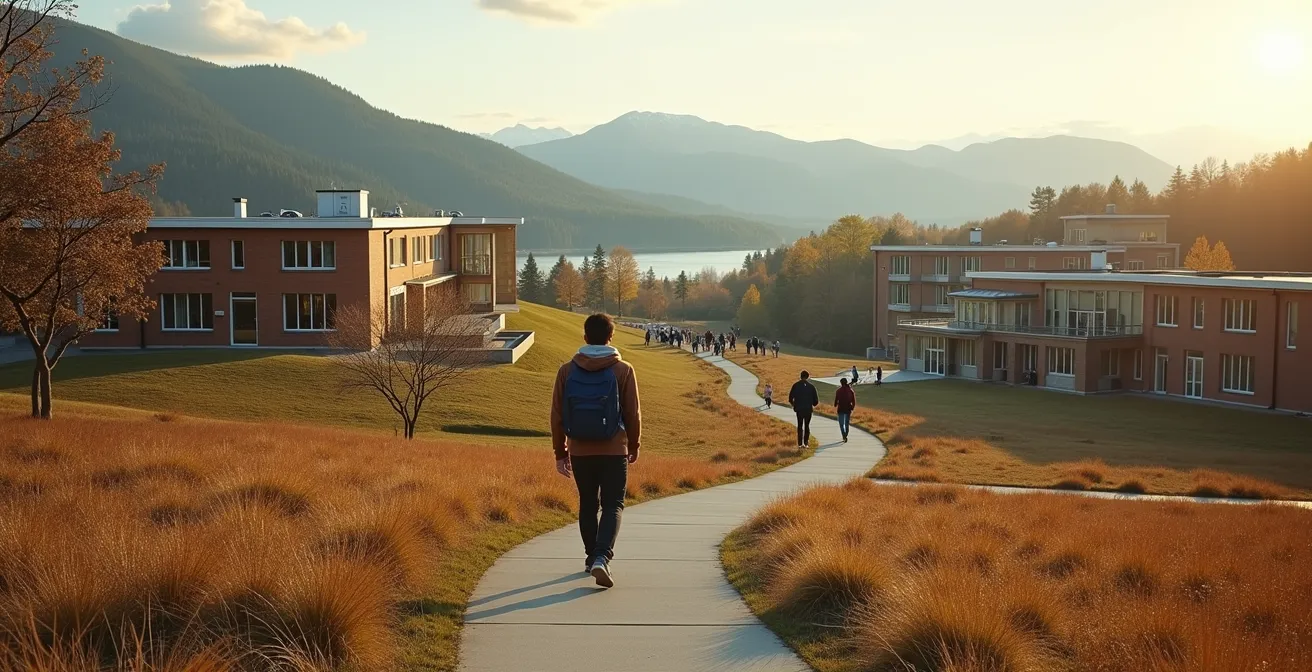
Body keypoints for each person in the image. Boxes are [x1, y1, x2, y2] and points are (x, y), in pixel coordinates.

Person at [551, 314, 641, 589]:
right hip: (614, 448)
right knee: (613, 503)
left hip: (580, 448)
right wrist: (634, 445)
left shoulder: (567, 370)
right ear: (611, 337)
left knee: (588, 503)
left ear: (585, 337)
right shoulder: (623, 369)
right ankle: (602, 556)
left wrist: (560, 451)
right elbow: (632, 413)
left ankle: (592, 557)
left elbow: (556, 415)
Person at [787, 370, 819, 448]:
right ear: (808, 377)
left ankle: (800, 443)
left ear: (800, 376)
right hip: (808, 409)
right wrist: (812, 405)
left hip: (799, 409)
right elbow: (816, 401)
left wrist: (794, 405)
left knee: (800, 425)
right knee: (807, 425)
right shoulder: (811, 387)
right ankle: (806, 443)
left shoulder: (795, 385)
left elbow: (790, 398)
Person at [834, 377, 856, 443]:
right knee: (846, 423)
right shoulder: (851, 390)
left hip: (841, 409)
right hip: (848, 408)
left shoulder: (838, 391)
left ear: (841, 383)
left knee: (841, 424)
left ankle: (844, 435)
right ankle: (845, 434)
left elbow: (836, 400)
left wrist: (835, 404)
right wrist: (852, 407)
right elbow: (853, 401)